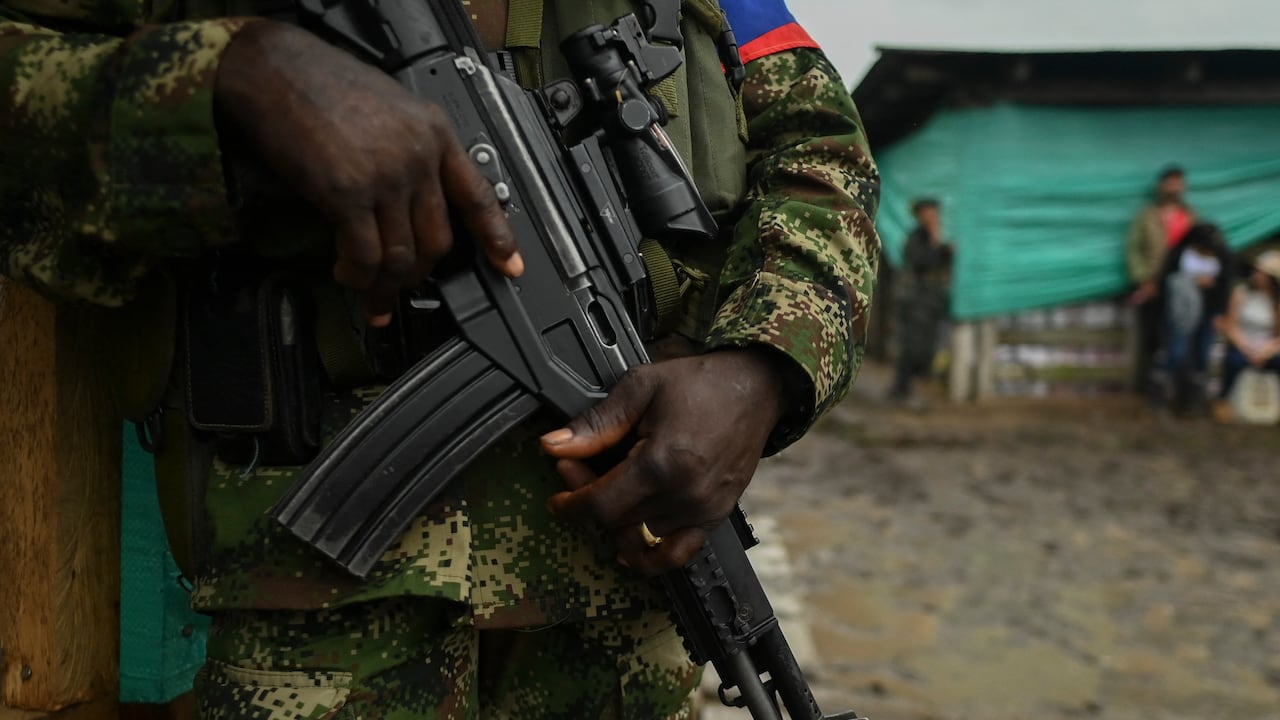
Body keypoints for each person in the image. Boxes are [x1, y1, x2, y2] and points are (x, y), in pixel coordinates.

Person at [0, 0, 880, 717]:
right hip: (312, 632)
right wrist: (225, 82)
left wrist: (764, 363)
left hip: (623, 636)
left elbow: (824, 155)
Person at [1127, 165, 1197, 395]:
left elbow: (1200, 249)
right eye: (1170, 182)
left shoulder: (1190, 216)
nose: (1175, 187)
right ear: (1160, 186)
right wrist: (1144, 279)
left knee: (1180, 338)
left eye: (1179, 183)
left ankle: (1178, 390)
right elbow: (1134, 250)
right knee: (1152, 338)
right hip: (1153, 287)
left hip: (1183, 286)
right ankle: (1148, 388)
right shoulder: (1146, 216)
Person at [1153, 222, 1232, 416]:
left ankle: (1193, 402)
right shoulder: (1179, 253)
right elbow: (1165, 282)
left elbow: (1226, 285)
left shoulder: (1222, 256)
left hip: (1207, 312)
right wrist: (1193, 281)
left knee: (1202, 355)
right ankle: (1159, 395)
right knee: (1176, 351)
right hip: (1180, 312)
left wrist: (1219, 312)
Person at [890, 197, 954, 404]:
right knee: (913, 346)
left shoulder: (939, 239)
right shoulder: (915, 238)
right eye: (928, 213)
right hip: (916, 299)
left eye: (934, 213)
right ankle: (903, 389)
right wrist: (936, 245)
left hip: (933, 299)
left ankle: (909, 388)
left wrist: (943, 248)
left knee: (928, 345)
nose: (932, 217)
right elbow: (919, 261)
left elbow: (945, 263)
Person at [1214, 250, 1280, 418]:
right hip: (1243, 344)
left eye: (1261, 273)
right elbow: (1231, 325)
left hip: (1266, 348)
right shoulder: (1241, 293)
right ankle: (1222, 401)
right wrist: (1247, 348)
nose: (1256, 275)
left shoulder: (1275, 302)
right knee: (1233, 361)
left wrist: (1266, 352)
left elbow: (1278, 336)